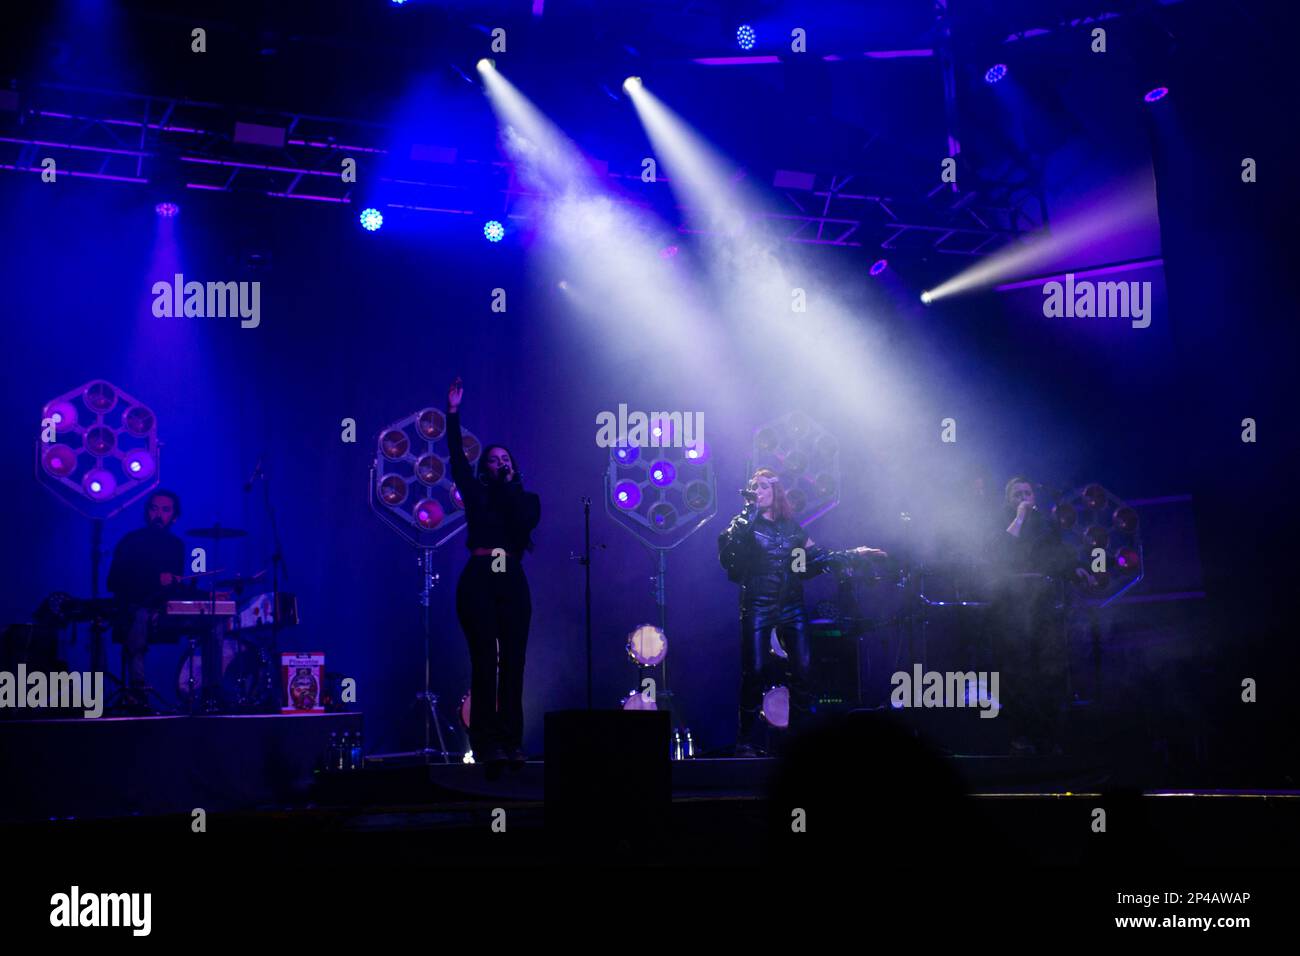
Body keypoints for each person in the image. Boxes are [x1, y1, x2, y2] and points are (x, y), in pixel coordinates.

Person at [718, 468, 886, 757]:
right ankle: (745, 741)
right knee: (755, 671)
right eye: (753, 488)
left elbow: (819, 557)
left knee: (804, 670)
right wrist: (747, 512)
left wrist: (856, 553)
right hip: (758, 603)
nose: (757, 492)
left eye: (762, 488)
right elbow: (728, 555)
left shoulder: (792, 529)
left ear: (775, 492)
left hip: (791, 606)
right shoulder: (744, 524)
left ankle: (798, 742)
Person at [446, 377, 541, 776]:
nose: (500, 462)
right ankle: (485, 743)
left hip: (510, 573)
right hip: (481, 575)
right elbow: (455, 457)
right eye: (493, 459)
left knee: (514, 662)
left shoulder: (526, 500)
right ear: (484, 468)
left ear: (513, 467)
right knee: (485, 660)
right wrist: (453, 412)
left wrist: (506, 486)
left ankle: (510, 740)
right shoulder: (476, 491)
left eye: (506, 459)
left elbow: (520, 524)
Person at [987, 476, 1093, 755]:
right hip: (1011, 602)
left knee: (1049, 669)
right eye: (1017, 494)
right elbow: (998, 551)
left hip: (1043, 602)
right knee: (1016, 670)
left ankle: (1049, 735)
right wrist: (1019, 518)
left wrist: (1076, 570)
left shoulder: (1046, 524)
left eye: (1028, 493)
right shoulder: (1000, 521)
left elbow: (1060, 555)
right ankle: (1020, 735)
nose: (1024, 498)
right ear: (1008, 500)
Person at [106, 489, 186, 711]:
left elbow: (175, 586)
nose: (158, 514)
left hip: (164, 609)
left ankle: (209, 692)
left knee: (212, 619)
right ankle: (137, 691)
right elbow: (113, 582)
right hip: (135, 607)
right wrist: (155, 579)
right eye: (154, 508)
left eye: (165, 510)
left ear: (175, 516)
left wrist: (194, 591)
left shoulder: (177, 545)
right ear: (147, 512)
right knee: (139, 616)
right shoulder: (131, 541)